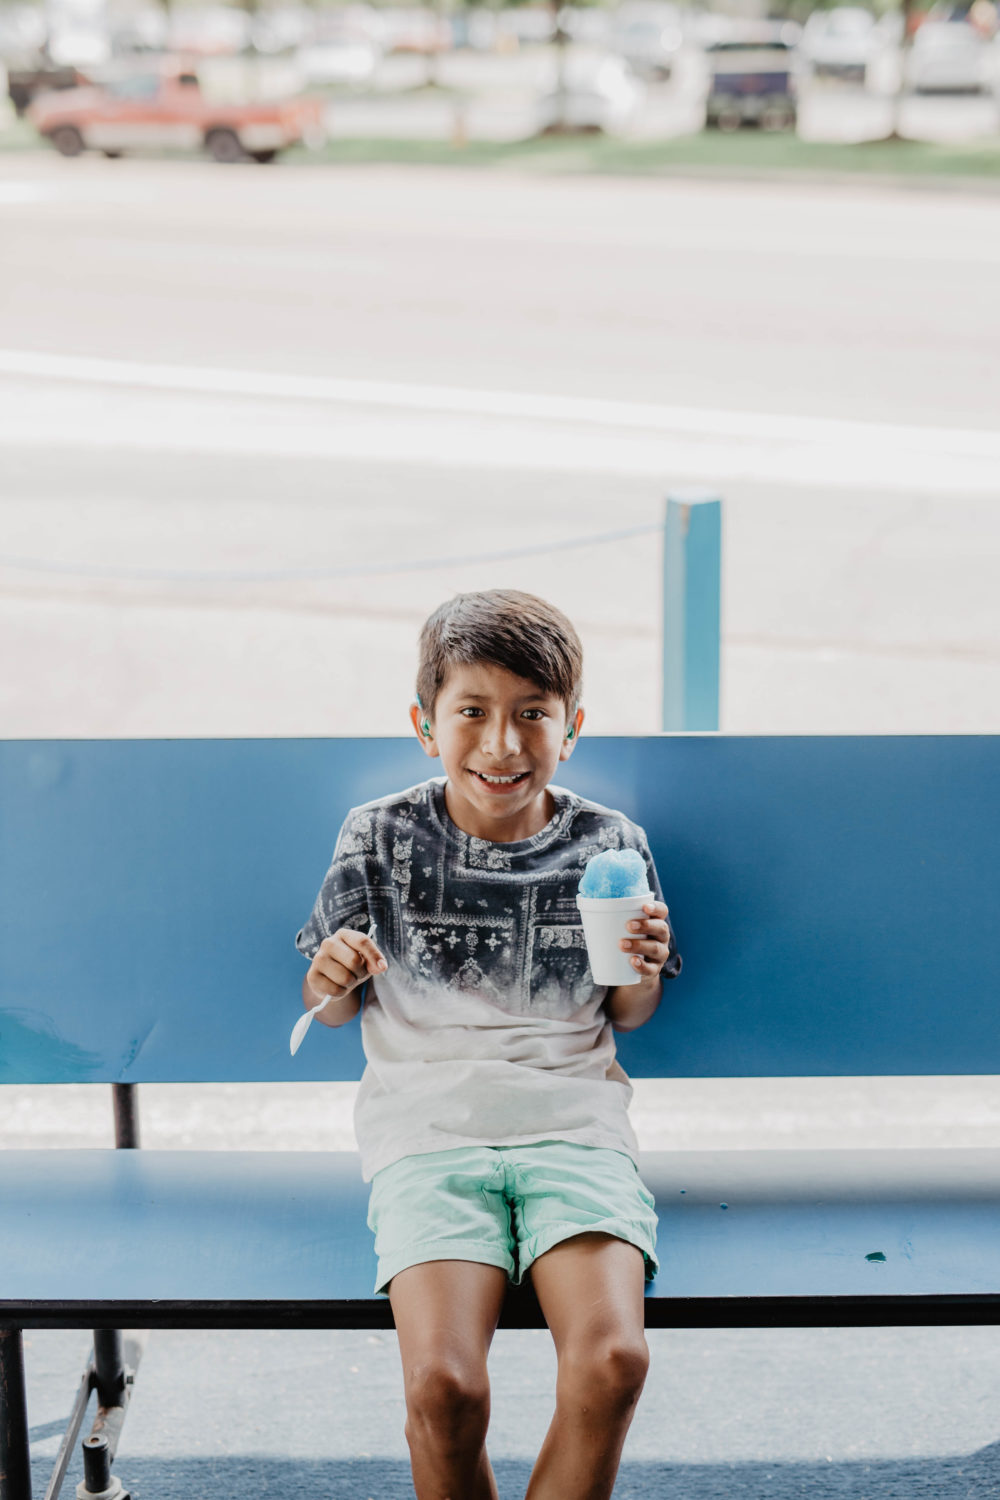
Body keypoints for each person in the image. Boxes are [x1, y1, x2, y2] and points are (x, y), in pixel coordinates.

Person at [295, 588, 681, 1500]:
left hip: (573, 1131)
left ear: (571, 725)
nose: (502, 744)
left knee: (614, 1361)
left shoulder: (608, 844)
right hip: (428, 1135)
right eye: (472, 712)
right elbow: (334, 1008)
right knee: (445, 1389)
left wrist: (645, 966)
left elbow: (627, 1014)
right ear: (427, 726)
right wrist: (334, 972)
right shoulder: (378, 836)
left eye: (532, 715)